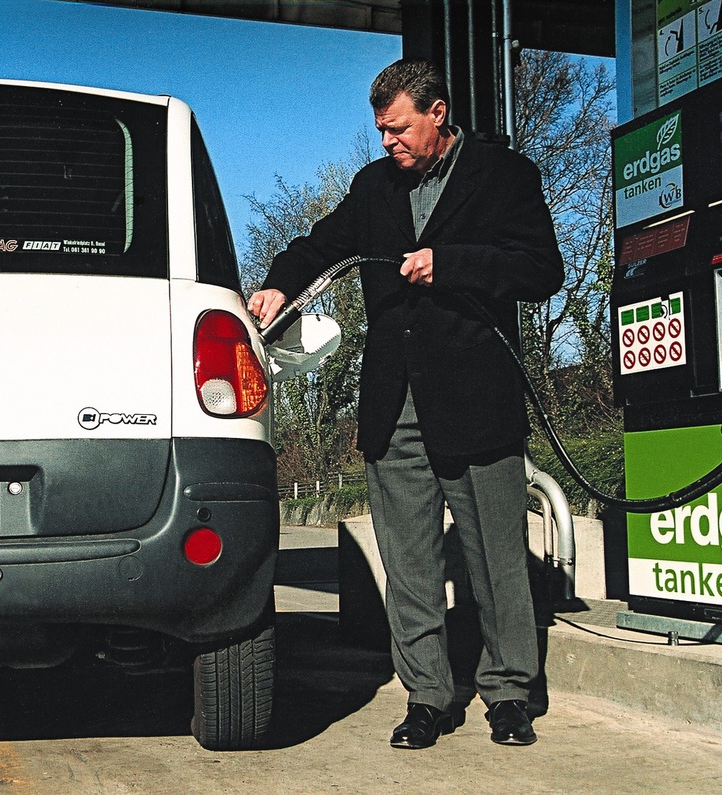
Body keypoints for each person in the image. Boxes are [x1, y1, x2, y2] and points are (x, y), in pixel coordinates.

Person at [249, 59, 563, 749]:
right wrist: (279, 285)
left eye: (398, 128)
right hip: (396, 408)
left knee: (498, 562)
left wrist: (450, 263)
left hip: (479, 403)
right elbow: (319, 244)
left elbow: (543, 269)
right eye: (381, 130)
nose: (388, 141)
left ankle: (509, 692)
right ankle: (426, 696)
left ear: (438, 113)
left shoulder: (506, 176)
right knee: (410, 565)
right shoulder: (372, 189)